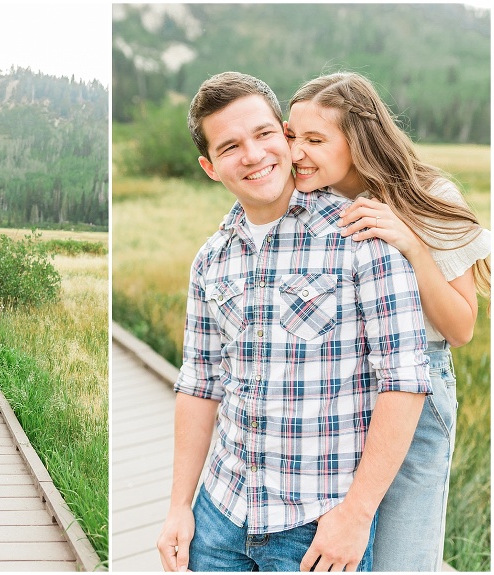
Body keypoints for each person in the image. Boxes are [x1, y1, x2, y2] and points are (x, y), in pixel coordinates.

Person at [155, 71, 432, 572]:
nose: (254, 155)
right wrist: (180, 505)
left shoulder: (361, 234)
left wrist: (357, 514)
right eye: (230, 146)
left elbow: (405, 382)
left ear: (285, 134)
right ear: (210, 166)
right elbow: (199, 384)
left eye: (264, 134)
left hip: (317, 526)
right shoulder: (210, 260)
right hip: (220, 514)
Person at [284, 71, 491, 571]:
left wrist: (412, 245)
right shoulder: (307, 199)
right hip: (333, 398)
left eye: (315, 139)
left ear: (358, 140)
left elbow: (461, 328)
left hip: (415, 398)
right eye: (292, 136)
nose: (296, 154)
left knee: (402, 560)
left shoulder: (428, 194)